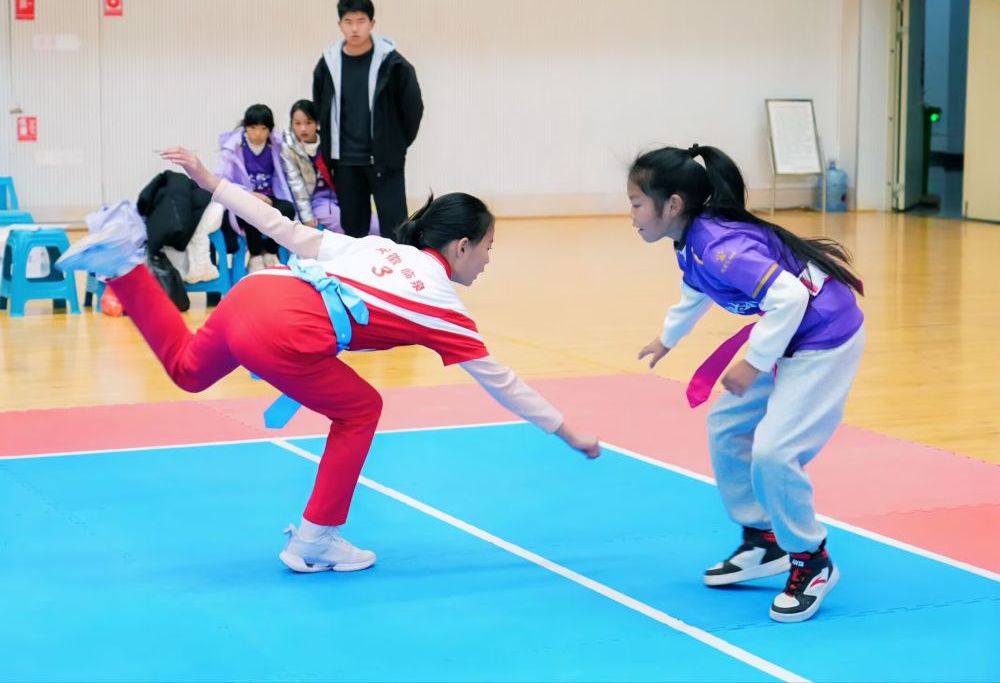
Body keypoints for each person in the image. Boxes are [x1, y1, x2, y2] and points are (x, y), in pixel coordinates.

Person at [56, 147, 600, 575]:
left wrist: (212, 181)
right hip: (284, 330)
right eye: (488, 247)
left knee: (186, 370)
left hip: (255, 293)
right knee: (361, 410)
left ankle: (123, 265)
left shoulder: (380, 248)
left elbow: (282, 229)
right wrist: (567, 430)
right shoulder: (444, 308)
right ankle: (315, 538)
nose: (488, 259)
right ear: (462, 246)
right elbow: (502, 383)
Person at [628, 144, 864, 623]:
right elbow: (695, 289)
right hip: (787, 336)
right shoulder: (693, 241)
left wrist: (754, 362)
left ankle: (812, 560)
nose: (631, 215)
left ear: (672, 205)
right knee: (727, 426)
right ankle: (764, 537)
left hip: (823, 339)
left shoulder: (720, 246)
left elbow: (790, 296)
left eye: (636, 203)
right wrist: (667, 338)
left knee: (775, 453)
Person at [313, 0, 423, 241]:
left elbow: (413, 108)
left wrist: (395, 144)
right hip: (344, 162)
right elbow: (321, 106)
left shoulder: (393, 64)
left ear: (372, 23)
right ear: (340, 24)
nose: (355, 28)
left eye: (361, 21)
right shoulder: (328, 64)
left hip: (385, 160)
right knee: (353, 231)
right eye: (348, 21)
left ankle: (396, 268)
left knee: (396, 229)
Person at [217, 104, 296, 273]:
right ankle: (255, 255)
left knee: (288, 209)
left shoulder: (276, 145)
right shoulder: (233, 148)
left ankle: (270, 251)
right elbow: (222, 181)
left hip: (270, 198)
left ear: (270, 130)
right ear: (245, 128)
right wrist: (250, 194)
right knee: (251, 208)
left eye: (263, 128)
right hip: (243, 199)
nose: (258, 133)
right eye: (253, 128)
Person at [280, 99, 376, 235]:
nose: (303, 128)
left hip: (342, 195)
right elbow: (296, 185)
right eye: (297, 123)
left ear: (317, 122)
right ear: (292, 123)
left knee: (375, 227)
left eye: (308, 122)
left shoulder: (329, 141)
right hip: (317, 200)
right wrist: (307, 217)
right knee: (343, 225)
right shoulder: (289, 148)